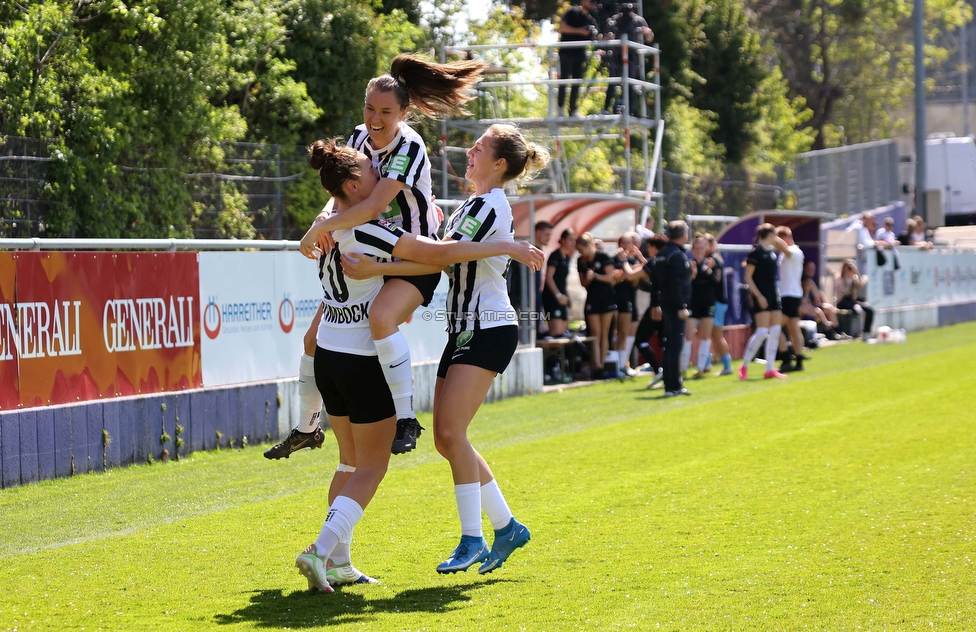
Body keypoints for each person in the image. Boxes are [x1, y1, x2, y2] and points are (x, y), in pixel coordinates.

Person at [292, 139, 544, 592]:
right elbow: (438, 255)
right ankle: (505, 527)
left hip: (485, 325)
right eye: (371, 175)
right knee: (434, 443)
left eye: (480, 146)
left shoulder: (486, 206)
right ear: (354, 186)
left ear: (499, 163)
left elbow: (440, 254)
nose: (381, 181)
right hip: (446, 331)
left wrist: (334, 239)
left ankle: (472, 538)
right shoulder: (435, 211)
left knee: (439, 438)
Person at [292, 53, 487, 458]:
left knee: (380, 318)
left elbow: (373, 206)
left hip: (412, 252)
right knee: (313, 336)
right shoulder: (359, 135)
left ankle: (406, 419)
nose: (375, 119)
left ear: (403, 112)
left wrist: (319, 228)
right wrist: (323, 217)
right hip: (375, 246)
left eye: (385, 112)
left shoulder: (410, 147)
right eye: (369, 108)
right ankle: (306, 427)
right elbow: (341, 192)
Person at [739, 224, 789, 380]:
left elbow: (786, 250)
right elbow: (747, 277)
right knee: (762, 332)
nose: (777, 238)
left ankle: (769, 369)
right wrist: (758, 296)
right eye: (775, 235)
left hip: (774, 295)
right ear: (769, 235)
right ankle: (744, 365)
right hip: (761, 295)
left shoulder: (773, 253)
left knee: (774, 331)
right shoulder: (756, 253)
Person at [653, 221, 692, 397]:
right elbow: (675, 283)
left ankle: (670, 384)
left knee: (669, 345)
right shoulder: (676, 255)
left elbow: (655, 282)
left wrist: (656, 304)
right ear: (684, 235)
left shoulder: (662, 253)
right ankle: (673, 386)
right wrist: (682, 306)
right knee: (675, 345)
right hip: (675, 306)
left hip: (665, 304)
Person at [576, 231, 622, 379]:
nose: (580, 253)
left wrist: (595, 276)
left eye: (581, 249)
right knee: (595, 333)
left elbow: (611, 278)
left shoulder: (604, 257)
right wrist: (589, 278)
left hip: (606, 298)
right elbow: (583, 283)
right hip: (592, 298)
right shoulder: (581, 261)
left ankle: (601, 365)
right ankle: (595, 366)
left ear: (589, 245)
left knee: (604, 332)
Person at [602, 3, 653, 116]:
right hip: (616, 56)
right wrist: (609, 36)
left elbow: (650, 38)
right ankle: (606, 108)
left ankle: (630, 110)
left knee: (631, 84)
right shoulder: (614, 20)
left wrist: (646, 31)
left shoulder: (638, 20)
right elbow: (603, 37)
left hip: (631, 57)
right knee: (613, 82)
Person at [680, 234, 719, 380]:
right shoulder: (689, 264)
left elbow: (716, 282)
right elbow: (686, 284)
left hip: (708, 303)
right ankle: (683, 369)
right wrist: (693, 275)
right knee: (688, 336)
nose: (699, 250)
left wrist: (709, 270)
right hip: (693, 304)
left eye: (701, 247)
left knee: (705, 337)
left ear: (706, 248)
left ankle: (701, 369)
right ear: (692, 249)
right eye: (696, 248)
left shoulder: (711, 263)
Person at [510, 221, 553, 335]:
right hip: (522, 299)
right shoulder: (526, 250)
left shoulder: (539, 249)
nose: (549, 238)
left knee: (535, 331)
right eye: (547, 234)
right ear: (538, 233)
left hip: (534, 297)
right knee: (524, 332)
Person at [557, 0, 599, 117]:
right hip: (566, 52)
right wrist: (580, 31)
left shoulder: (591, 20)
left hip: (580, 54)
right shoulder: (572, 12)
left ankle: (573, 110)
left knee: (577, 82)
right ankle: (560, 108)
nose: (592, 3)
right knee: (564, 81)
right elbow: (562, 27)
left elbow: (596, 37)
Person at [776, 226, 807, 373]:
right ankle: (799, 360)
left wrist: (771, 238)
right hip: (790, 294)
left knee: (774, 326)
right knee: (793, 328)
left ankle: (786, 358)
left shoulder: (794, 251)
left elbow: (786, 250)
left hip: (790, 295)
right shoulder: (786, 253)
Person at [612, 231, 643, 376]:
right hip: (614, 300)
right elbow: (614, 280)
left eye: (628, 243)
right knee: (615, 333)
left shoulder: (634, 262)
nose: (625, 246)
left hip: (628, 300)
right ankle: (616, 365)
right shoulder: (612, 260)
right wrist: (628, 273)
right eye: (623, 243)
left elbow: (634, 279)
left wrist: (625, 271)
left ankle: (622, 364)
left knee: (624, 333)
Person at [704, 234, 733, 376]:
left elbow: (717, 279)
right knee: (707, 333)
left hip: (717, 302)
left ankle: (727, 366)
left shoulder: (714, 259)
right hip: (716, 302)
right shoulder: (714, 258)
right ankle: (706, 363)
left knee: (716, 334)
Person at [542, 228, 577, 337]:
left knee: (562, 334)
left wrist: (568, 297)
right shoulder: (555, 255)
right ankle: (552, 354)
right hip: (552, 298)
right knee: (555, 334)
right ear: (562, 240)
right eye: (570, 239)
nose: (573, 242)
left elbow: (563, 281)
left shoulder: (566, 257)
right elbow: (549, 278)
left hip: (562, 298)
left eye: (574, 240)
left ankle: (560, 354)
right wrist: (558, 295)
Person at [799, 260, 842, 339]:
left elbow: (817, 297)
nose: (811, 271)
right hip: (803, 306)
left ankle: (838, 331)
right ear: (804, 269)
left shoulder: (811, 282)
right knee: (818, 311)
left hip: (812, 305)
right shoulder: (800, 282)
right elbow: (803, 301)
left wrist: (820, 300)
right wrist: (807, 291)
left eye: (812, 269)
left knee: (829, 309)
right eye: (809, 269)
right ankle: (829, 332)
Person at [835, 259, 874, 339]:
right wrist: (847, 277)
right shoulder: (839, 278)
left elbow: (862, 285)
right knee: (857, 310)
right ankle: (853, 333)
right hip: (842, 301)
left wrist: (856, 272)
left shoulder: (854, 278)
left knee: (869, 310)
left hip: (852, 301)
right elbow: (844, 292)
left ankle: (866, 332)